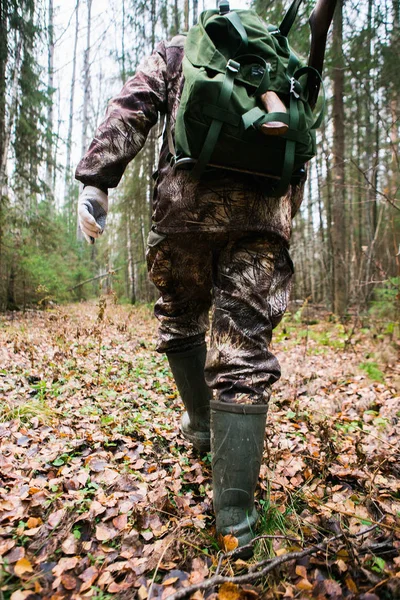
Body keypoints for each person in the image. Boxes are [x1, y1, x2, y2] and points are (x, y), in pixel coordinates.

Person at [76, 0, 337, 550]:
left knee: (181, 320)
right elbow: (301, 135)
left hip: (182, 215)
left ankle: (199, 427)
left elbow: (132, 108)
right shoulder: (281, 55)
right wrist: (284, 205)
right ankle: (236, 526)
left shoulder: (181, 48)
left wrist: (97, 179)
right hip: (262, 218)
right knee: (243, 354)